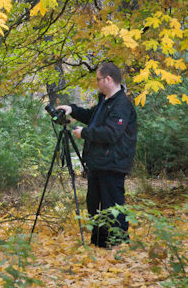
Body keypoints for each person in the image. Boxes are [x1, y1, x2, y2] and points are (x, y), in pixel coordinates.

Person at [57, 62, 138, 248]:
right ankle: (99, 244)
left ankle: (118, 245)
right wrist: (72, 109)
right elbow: (91, 117)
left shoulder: (122, 104)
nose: (97, 84)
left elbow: (111, 133)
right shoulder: (105, 101)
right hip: (97, 162)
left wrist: (84, 133)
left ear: (108, 79)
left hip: (113, 163)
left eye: (98, 80)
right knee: (94, 205)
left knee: (112, 206)